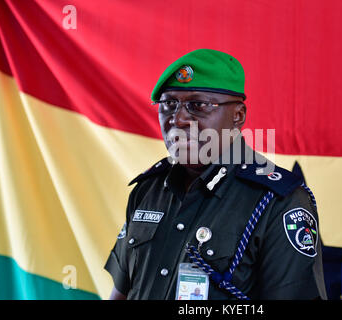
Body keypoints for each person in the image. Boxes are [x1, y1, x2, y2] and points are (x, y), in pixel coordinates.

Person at [104, 49, 327, 300]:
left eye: (198, 105)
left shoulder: (279, 202)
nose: (177, 119)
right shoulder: (149, 189)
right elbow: (122, 292)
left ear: (238, 116)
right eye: (168, 104)